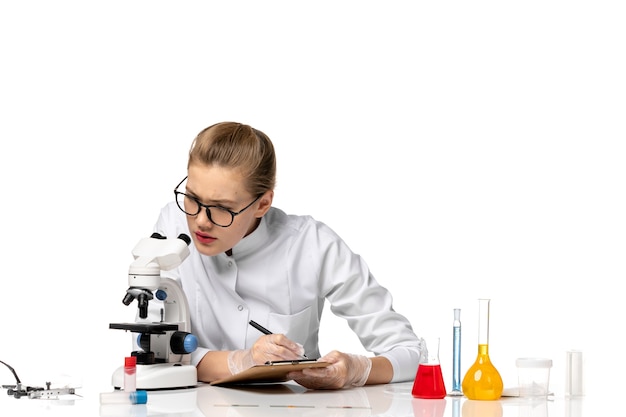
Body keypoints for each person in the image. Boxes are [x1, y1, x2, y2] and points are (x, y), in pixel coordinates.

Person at [153, 121, 424, 389]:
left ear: (263, 204)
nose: (200, 220)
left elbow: (411, 353)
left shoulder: (312, 245)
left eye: (222, 208)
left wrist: (357, 370)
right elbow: (153, 347)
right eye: (192, 198)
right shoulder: (173, 224)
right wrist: (241, 361)